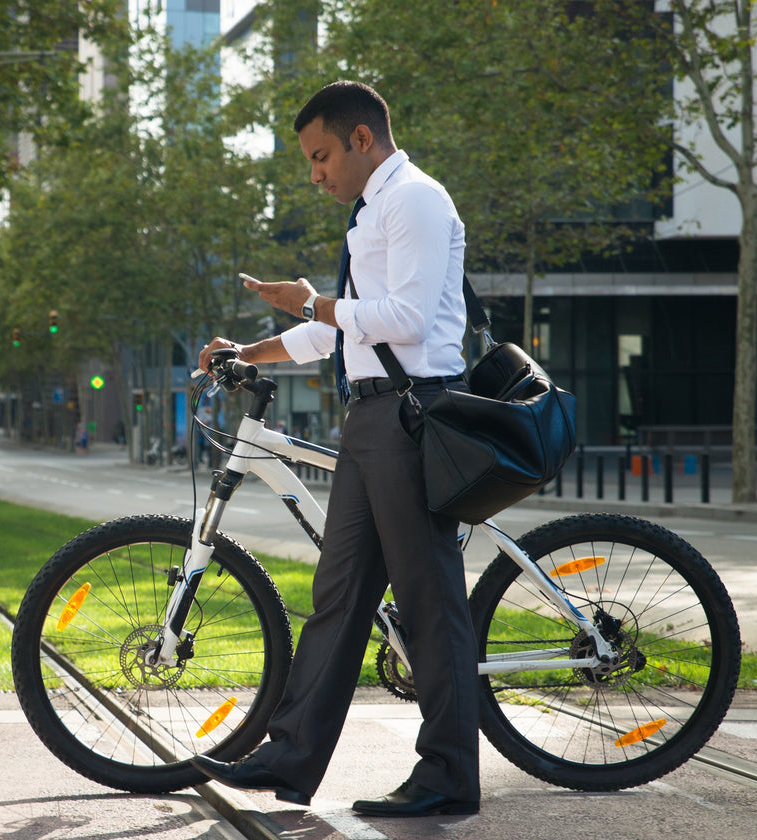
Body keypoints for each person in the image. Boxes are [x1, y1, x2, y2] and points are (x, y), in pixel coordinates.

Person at [195, 80, 479, 818]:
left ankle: (448, 776)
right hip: (372, 422)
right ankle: (289, 760)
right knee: (339, 597)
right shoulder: (370, 212)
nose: (314, 173)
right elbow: (340, 330)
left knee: (427, 602)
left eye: (320, 155)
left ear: (361, 139)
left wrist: (313, 300)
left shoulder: (413, 196)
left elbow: (408, 320)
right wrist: (250, 348)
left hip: (413, 418)